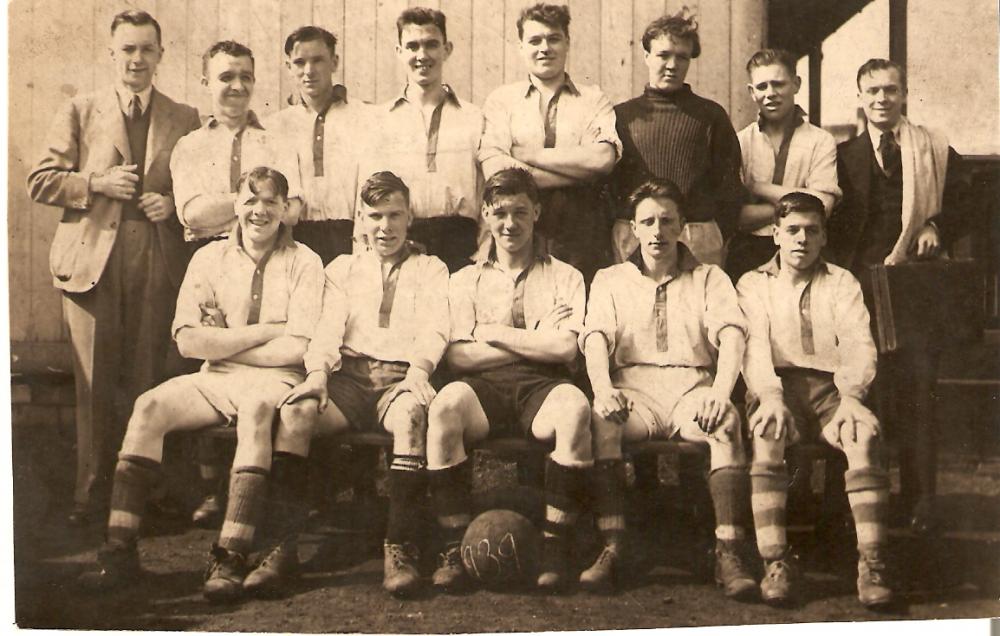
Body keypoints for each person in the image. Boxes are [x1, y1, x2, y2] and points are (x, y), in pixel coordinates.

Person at [75, 167, 324, 603]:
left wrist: (222, 342)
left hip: (276, 380)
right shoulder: (208, 259)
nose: (259, 211)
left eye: (270, 202)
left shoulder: (305, 260)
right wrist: (266, 331)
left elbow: (298, 348)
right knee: (149, 406)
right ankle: (119, 549)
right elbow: (188, 341)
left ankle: (230, 555)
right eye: (250, 201)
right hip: (216, 377)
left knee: (257, 411)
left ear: (285, 210)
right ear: (235, 205)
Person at [26, 10, 201, 526]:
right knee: (95, 382)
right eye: (128, 49)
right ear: (112, 54)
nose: (137, 60)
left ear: (161, 55)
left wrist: (169, 204)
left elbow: (195, 184)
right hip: (91, 260)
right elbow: (40, 180)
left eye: (147, 49)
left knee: (149, 379)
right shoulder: (81, 110)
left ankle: (140, 496)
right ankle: (92, 493)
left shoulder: (183, 115)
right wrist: (94, 184)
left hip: (155, 256)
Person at [246, 171, 450, 598]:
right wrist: (318, 374)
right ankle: (281, 549)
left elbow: (436, 329)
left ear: (410, 217)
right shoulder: (342, 268)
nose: (385, 227)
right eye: (375, 216)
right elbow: (327, 329)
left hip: (399, 377)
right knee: (297, 413)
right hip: (348, 380)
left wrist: (419, 372)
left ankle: (400, 548)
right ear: (360, 218)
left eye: (395, 215)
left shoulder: (431, 268)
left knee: (412, 416)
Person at [582, 178, 756, 600]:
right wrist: (603, 389)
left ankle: (728, 551)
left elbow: (732, 335)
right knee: (601, 420)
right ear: (633, 230)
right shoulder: (610, 278)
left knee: (727, 424)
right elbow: (594, 338)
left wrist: (719, 391)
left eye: (667, 221)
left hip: (691, 387)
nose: (658, 231)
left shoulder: (710, 277)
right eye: (648, 222)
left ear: (683, 228)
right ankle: (614, 545)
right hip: (634, 389)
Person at [426, 168, 593, 592]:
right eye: (500, 212)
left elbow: (565, 350)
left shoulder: (566, 276)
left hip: (543, 385)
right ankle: (453, 546)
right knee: (444, 407)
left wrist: (494, 332)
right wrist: (537, 337)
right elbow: (459, 355)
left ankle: (555, 546)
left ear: (537, 212)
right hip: (484, 387)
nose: (510, 224)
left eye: (521, 212)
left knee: (575, 409)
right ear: (484, 214)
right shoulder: (464, 279)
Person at [829, 58, 970, 533]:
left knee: (917, 393)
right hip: (857, 290)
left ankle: (922, 502)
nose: (882, 99)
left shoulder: (931, 147)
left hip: (912, 288)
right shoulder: (842, 155)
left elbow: (971, 201)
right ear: (860, 97)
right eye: (872, 91)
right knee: (858, 390)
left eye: (891, 90)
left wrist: (936, 225)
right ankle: (861, 499)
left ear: (905, 94)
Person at [738, 192, 892, 608]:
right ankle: (775, 560)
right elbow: (752, 352)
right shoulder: (753, 283)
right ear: (775, 235)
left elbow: (859, 343)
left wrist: (854, 397)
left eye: (811, 231)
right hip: (777, 387)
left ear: (824, 237)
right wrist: (768, 397)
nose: (801, 240)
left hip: (832, 389)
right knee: (768, 433)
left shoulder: (842, 282)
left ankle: (872, 562)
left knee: (860, 435)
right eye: (792, 230)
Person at [478, 3, 621, 285]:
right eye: (534, 40)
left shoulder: (593, 99)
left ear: (567, 43)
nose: (545, 48)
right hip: (518, 226)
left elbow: (602, 159)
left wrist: (529, 155)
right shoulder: (502, 100)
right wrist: (576, 174)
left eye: (553, 38)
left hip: (581, 231)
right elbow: (495, 172)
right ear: (521, 46)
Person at [611, 10, 744, 268]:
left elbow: (729, 189)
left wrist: (712, 235)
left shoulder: (710, 116)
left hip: (696, 236)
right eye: (663, 55)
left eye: (682, 57)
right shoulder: (621, 116)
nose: (672, 65)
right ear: (647, 56)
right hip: (634, 237)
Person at [358, 7, 484, 273]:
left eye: (431, 45)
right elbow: (369, 196)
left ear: (447, 49)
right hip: (403, 245)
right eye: (412, 46)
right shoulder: (379, 120)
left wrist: (483, 256)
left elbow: (486, 193)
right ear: (399, 51)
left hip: (461, 247)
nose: (422, 55)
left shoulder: (475, 117)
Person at [171, 40, 302, 244]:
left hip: (268, 256)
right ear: (206, 83)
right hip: (206, 258)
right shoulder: (189, 146)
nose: (238, 86)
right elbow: (193, 215)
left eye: (246, 78)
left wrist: (225, 225)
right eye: (227, 77)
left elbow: (291, 212)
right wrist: (264, 202)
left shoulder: (278, 143)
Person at [727, 48, 841, 282]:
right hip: (749, 253)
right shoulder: (739, 142)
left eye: (779, 84)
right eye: (762, 86)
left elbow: (823, 207)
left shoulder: (820, 141)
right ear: (751, 92)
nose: (771, 93)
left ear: (796, 84)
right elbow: (736, 217)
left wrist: (759, 188)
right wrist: (801, 206)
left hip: (803, 250)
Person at [266, 26, 370, 265]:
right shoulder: (276, 126)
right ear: (288, 67)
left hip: (350, 237)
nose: (309, 71)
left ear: (334, 62)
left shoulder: (364, 116)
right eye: (300, 62)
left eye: (318, 60)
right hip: (296, 239)